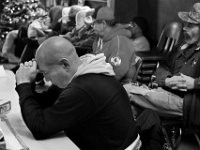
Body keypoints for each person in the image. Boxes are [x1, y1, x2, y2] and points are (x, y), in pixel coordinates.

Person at [15, 36, 164, 150]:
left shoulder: (83, 88)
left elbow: (40, 127)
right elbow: (45, 102)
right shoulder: (82, 70)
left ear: (64, 64)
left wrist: (23, 84)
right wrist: (29, 82)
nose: (46, 78)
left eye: (46, 73)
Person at [124, 3, 200, 117]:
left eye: (190, 25)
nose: (184, 28)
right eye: (186, 24)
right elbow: (161, 68)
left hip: (189, 104)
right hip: (168, 93)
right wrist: (167, 80)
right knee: (130, 108)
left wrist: (195, 83)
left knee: (126, 90)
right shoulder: (181, 47)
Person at [92, 6, 137, 83]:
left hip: (120, 86)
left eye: (94, 23)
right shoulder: (103, 39)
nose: (93, 27)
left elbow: (116, 73)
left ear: (103, 23)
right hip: (104, 81)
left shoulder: (120, 41)